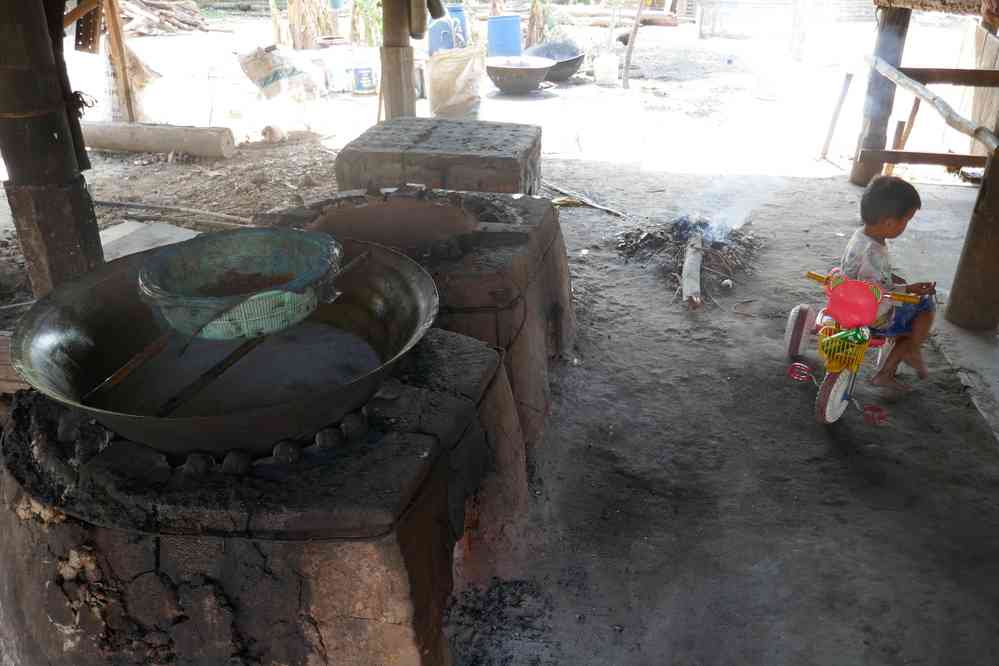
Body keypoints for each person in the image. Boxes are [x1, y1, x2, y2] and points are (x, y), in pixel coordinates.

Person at [840, 176, 936, 391]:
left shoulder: (861, 236)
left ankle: (909, 349)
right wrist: (907, 290)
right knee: (924, 308)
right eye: (907, 220)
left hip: (846, 301)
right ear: (890, 222)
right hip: (871, 314)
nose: (906, 226)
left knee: (910, 300)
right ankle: (903, 357)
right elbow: (878, 293)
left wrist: (897, 282)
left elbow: (869, 276)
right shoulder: (873, 252)